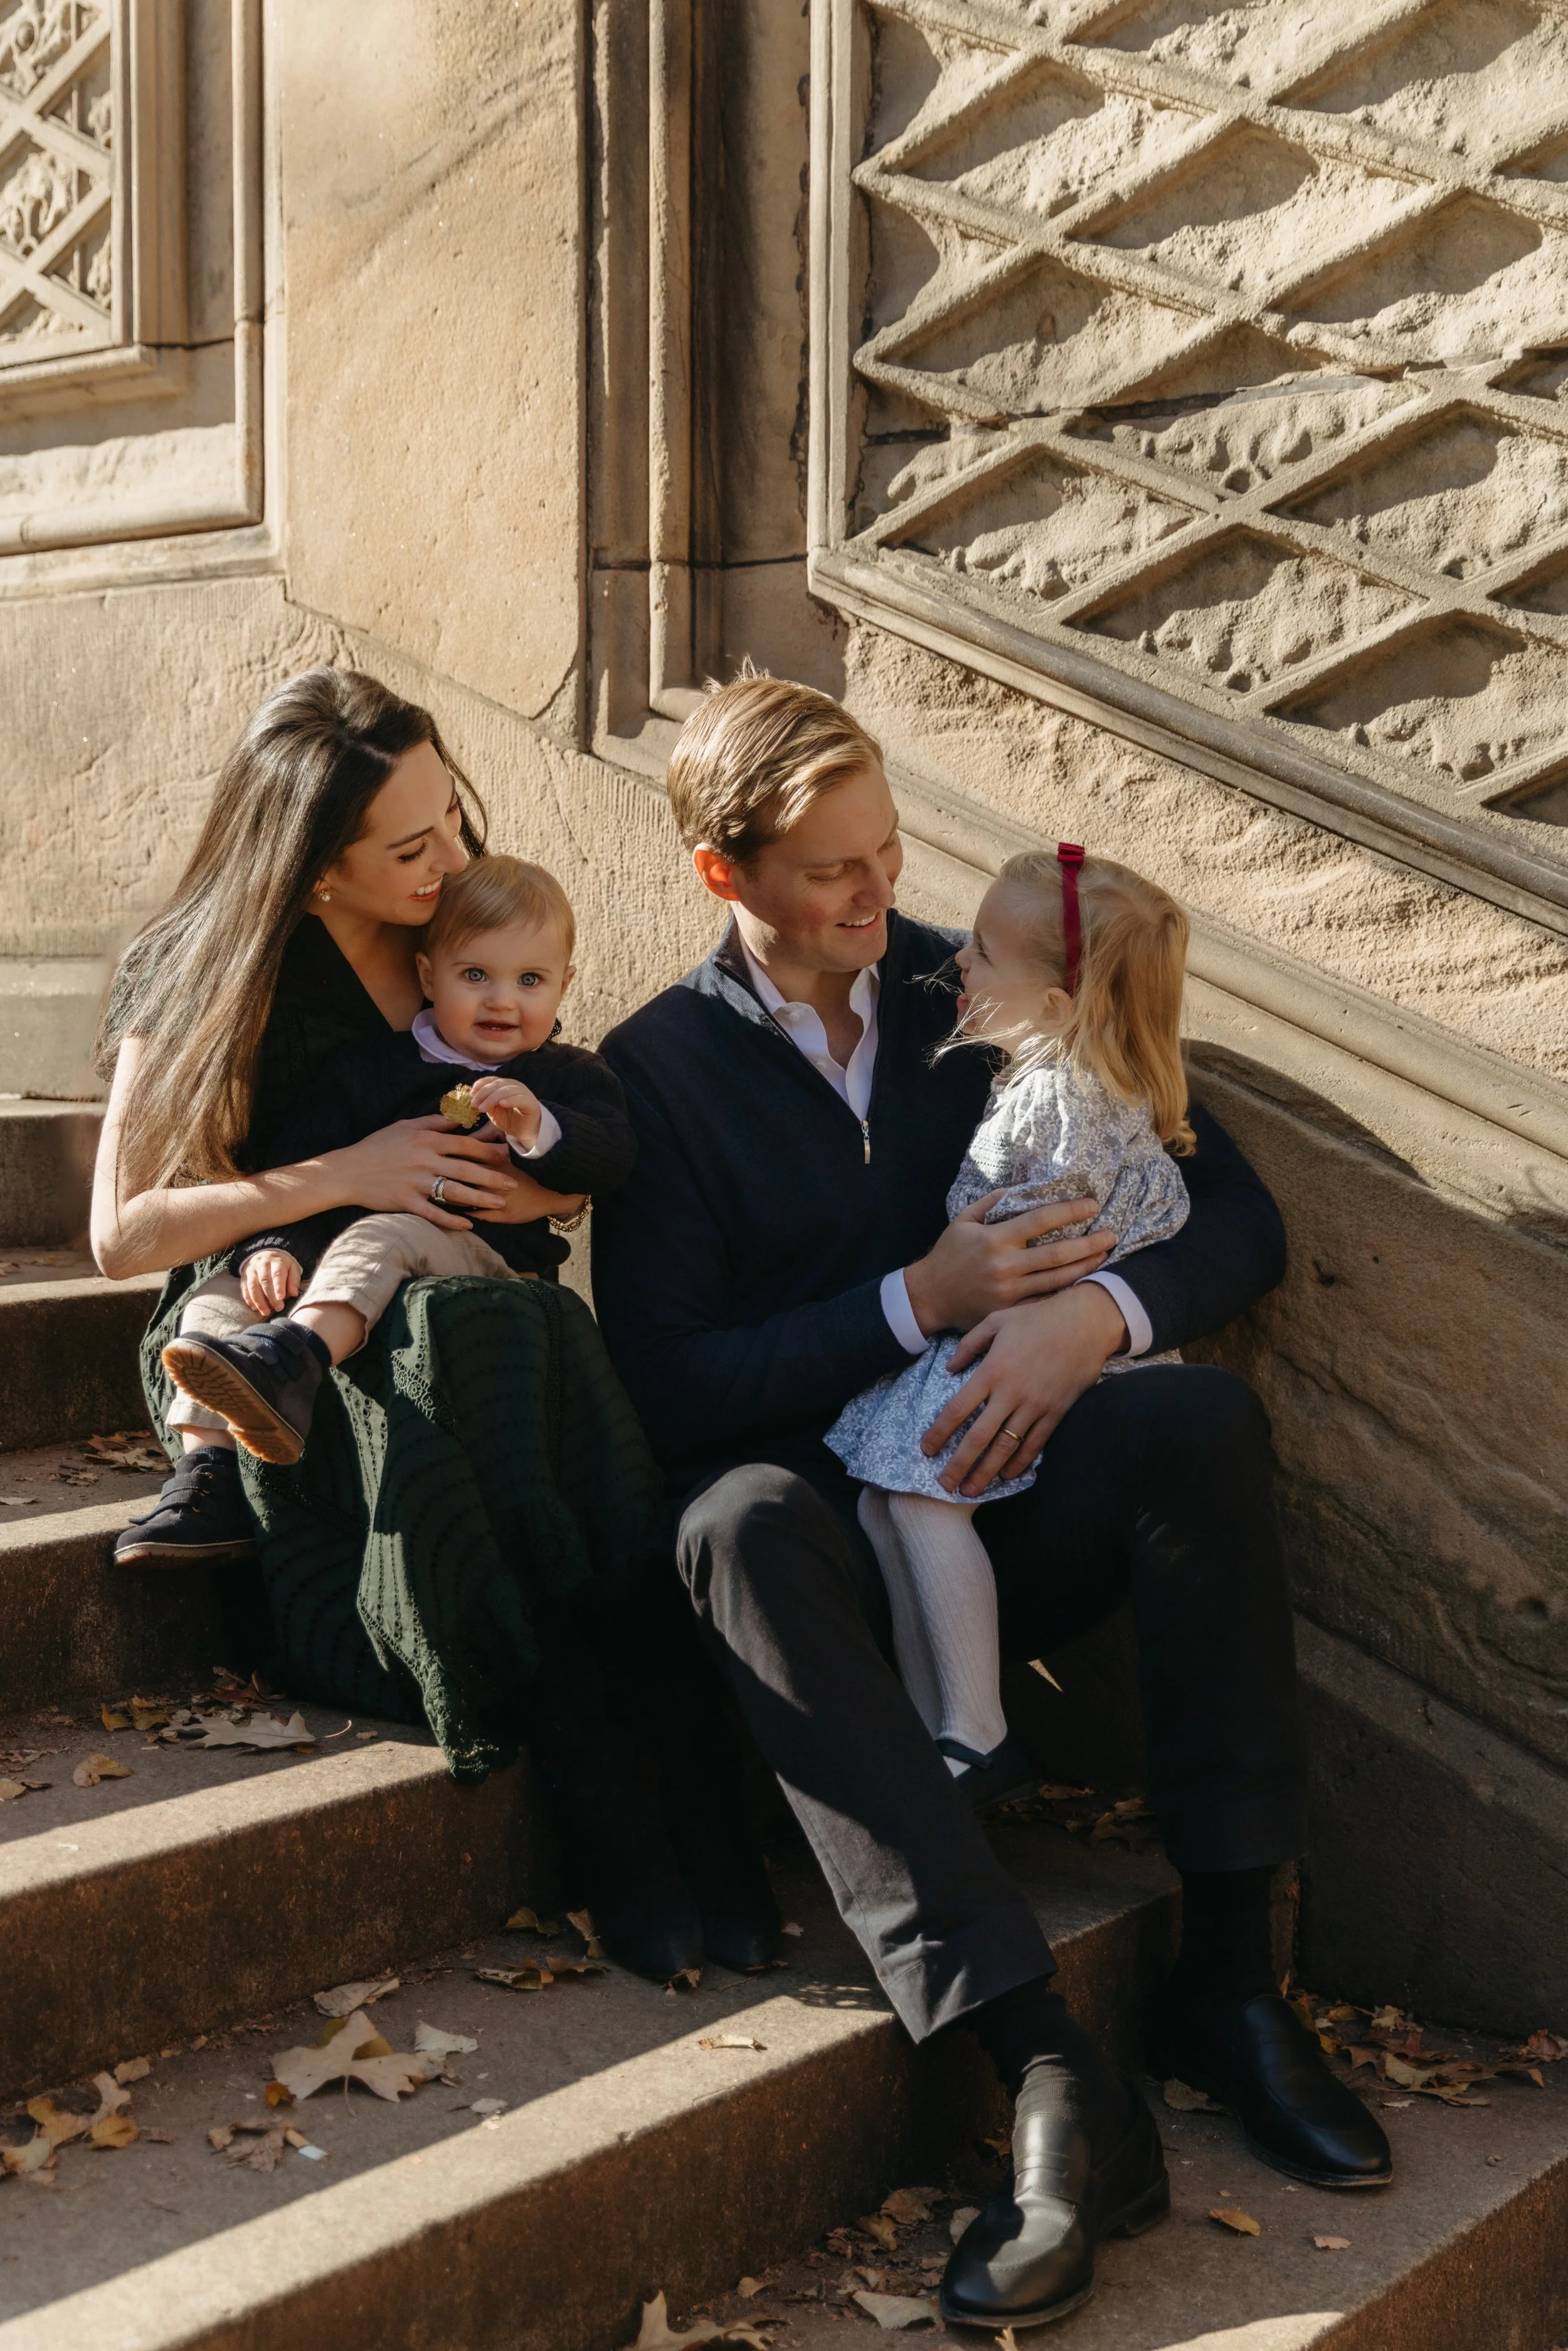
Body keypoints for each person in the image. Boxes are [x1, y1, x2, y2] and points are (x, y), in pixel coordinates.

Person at [591, 672, 1392, 2334]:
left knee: (1195, 1424)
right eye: (830, 870)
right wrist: (925, 1297)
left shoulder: (985, 984)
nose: (879, 897)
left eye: (885, 849)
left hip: (997, 1510)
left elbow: (1232, 1213)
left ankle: (1232, 1984)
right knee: (729, 1517)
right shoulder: (654, 1072)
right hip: (820, 1567)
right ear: (720, 876)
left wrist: (1087, 1319)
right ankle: (1037, 2063)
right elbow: (671, 1381)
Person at [93, 667, 776, 1982]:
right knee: (453, 1361)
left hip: (453, 1277)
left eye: (451, 814)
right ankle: (615, 1820)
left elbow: (548, 1106)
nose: (453, 856)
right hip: (263, 1304)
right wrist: (350, 1173)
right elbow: (123, 1234)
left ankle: (711, 1823)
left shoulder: (461, 920)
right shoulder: (200, 965)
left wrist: (526, 1179)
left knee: (504, 1338)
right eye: (410, 846)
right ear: (311, 873)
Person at [829, 847, 1190, 1812]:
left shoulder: (1059, 1100)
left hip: (1030, 1340)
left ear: (1060, 1005)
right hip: (1003, 1324)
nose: (958, 966)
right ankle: (931, 1726)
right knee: (879, 1503)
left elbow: (1056, 1234)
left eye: (983, 955)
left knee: (921, 1502)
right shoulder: (1054, 1077)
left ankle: (980, 1731)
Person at [159, 855, 636, 1467]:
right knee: (219, 1298)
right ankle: (207, 1475)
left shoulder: (565, 1075)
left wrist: (538, 1126)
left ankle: (294, 1360)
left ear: (563, 985)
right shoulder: (368, 1068)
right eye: (474, 974)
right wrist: (277, 1245)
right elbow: (307, 1159)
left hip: (487, 1260)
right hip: (349, 1256)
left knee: (388, 1232)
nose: (502, 1001)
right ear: (428, 976)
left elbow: (612, 1158)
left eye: (529, 981)